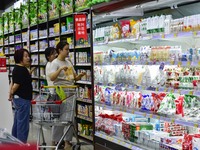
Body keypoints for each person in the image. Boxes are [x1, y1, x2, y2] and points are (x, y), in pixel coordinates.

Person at [49, 41, 86, 150]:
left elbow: (74, 77)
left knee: (70, 118)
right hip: (60, 92)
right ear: (59, 50)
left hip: (70, 91)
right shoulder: (55, 63)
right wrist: (60, 69)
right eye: (66, 49)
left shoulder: (68, 62)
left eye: (68, 49)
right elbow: (52, 78)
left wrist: (80, 76)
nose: (68, 51)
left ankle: (67, 142)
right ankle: (56, 140)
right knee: (59, 117)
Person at [8, 48, 32, 143]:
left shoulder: (16, 68)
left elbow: (13, 81)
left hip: (18, 99)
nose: (28, 58)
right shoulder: (22, 70)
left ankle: (13, 142)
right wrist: (11, 93)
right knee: (23, 124)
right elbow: (16, 85)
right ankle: (21, 144)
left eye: (28, 56)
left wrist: (11, 94)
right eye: (25, 56)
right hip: (23, 99)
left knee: (18, 122)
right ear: (19, 58)